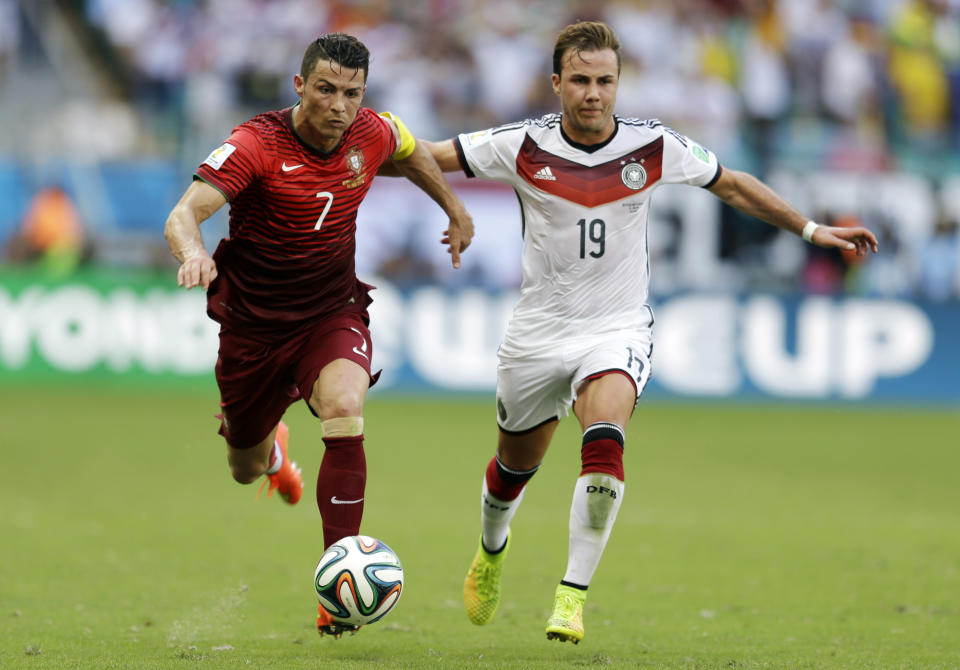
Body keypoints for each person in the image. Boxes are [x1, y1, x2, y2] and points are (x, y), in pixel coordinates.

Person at [411, 21, 878, 644]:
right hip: (537, 333)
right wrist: (357, 151)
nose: (593, 94)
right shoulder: (519, 144)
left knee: (604, 445)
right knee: (510, 471)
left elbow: (734, 184)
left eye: (605, 81)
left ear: (618, 82)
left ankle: (571, 596)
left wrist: (813, 231)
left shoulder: (653, 146)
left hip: (617, 327)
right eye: (580, 80)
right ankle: (492, 550)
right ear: (556, 83)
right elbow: (422, 154)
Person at [163, 33, 474, 638]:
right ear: (300, 86)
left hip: (330, 313)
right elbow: (184, 213)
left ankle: (338, 589)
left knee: (345, 407)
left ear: (364, 94)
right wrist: (193, 252)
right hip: (253, 330)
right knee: (243, 468)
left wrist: (455, 210)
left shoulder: (372, 131)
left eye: (351, 93)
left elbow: (410, 154)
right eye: (326, 89)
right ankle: (273, 452)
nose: (338, 105)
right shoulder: (256, 144)